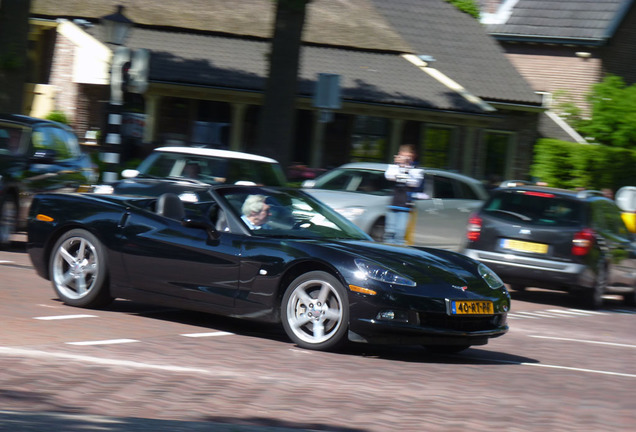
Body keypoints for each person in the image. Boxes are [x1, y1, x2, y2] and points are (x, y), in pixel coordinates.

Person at [384, 144, 424, 245]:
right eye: (402, 156)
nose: (405, 159)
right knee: (389, 233)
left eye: (407, 157)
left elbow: (414, 182)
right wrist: (399, 167)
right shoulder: (393, 167)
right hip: (393, 204)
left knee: (399, 234)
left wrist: (405, 169)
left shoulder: (417, 169)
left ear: (412, 156)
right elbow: (389, 176)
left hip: (405, 207)